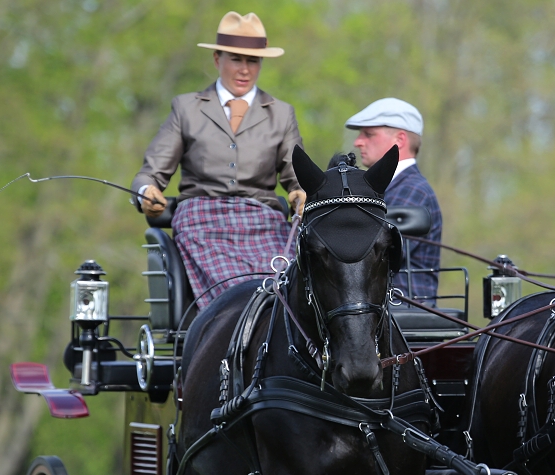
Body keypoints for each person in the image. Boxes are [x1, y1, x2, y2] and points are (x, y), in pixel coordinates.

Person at [131, 11, 305, 309]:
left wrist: (301, 194)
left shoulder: (281, 113)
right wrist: (146, 193)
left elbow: (297, 177)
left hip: (263, 222)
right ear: (217, 59)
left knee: (287, 290)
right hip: (202, 221)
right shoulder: (186, 109)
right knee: (240, 295)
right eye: (236, 59)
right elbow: (150, 175)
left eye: (253, 61)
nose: (245, 70)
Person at [345, 98, 442, 301]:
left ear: (399, 140)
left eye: (368, 134)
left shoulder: (413, 190)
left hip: (403, 308)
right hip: (378, 307)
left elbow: (376, 257)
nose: (357, 141)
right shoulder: (387, 187)